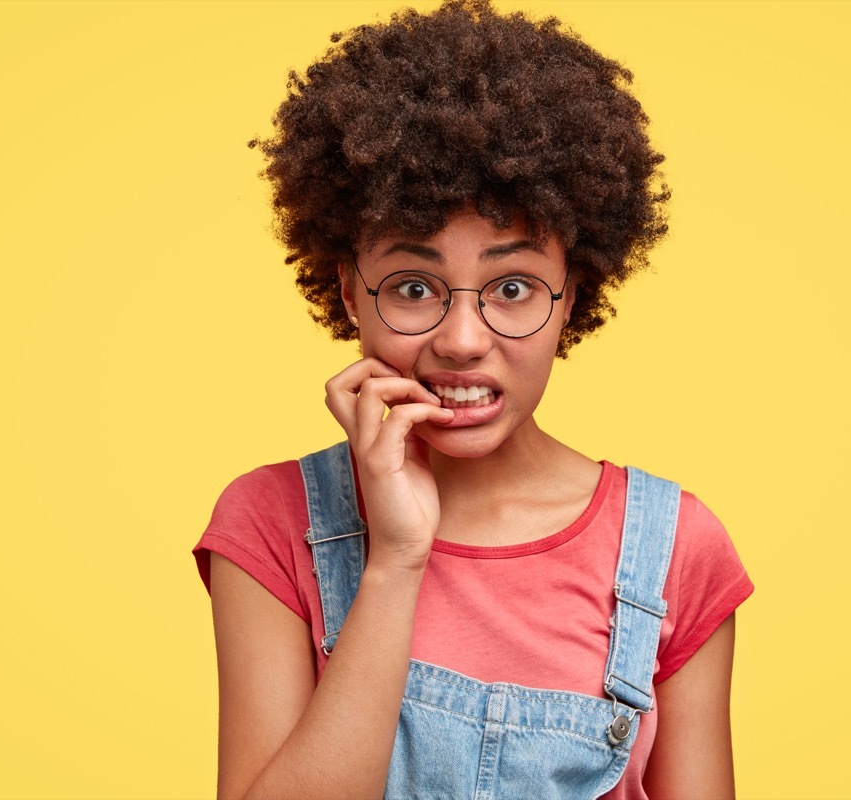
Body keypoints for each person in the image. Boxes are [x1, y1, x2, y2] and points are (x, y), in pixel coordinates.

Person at [192, 1, 754, 797]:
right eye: (415, 287)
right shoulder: (272, 525)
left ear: (572, 295)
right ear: (350, 291)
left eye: (513, 286)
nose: (461, 339)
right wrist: (394, 561)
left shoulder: (672, 551)